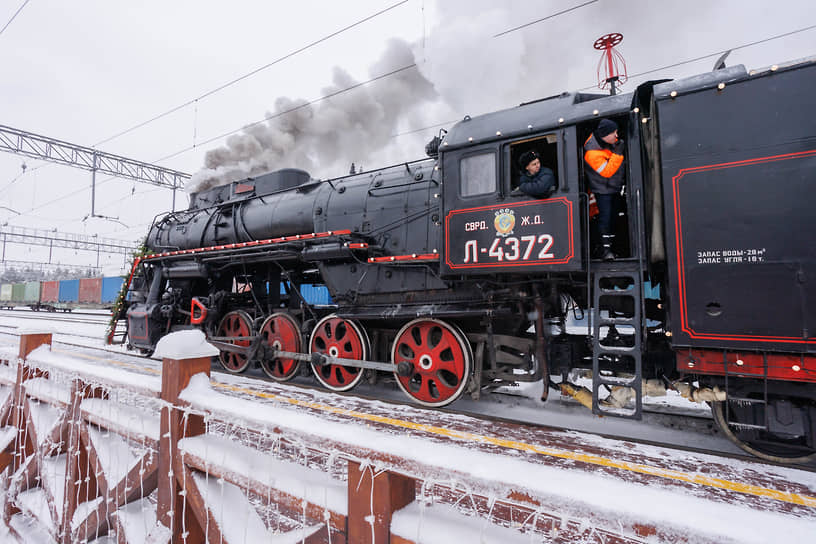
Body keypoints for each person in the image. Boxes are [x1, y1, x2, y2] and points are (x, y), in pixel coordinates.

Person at [584, 119, 625, 260]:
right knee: (605, 219)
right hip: (603, 190)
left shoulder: (607, 144)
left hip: (614, 188)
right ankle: (604, 249)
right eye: (613, 133)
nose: (616, 136)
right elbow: (607, 171)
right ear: (604, 135)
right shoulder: (591, 154)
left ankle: (614, 247)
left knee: (614, 218)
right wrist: (618, 154)